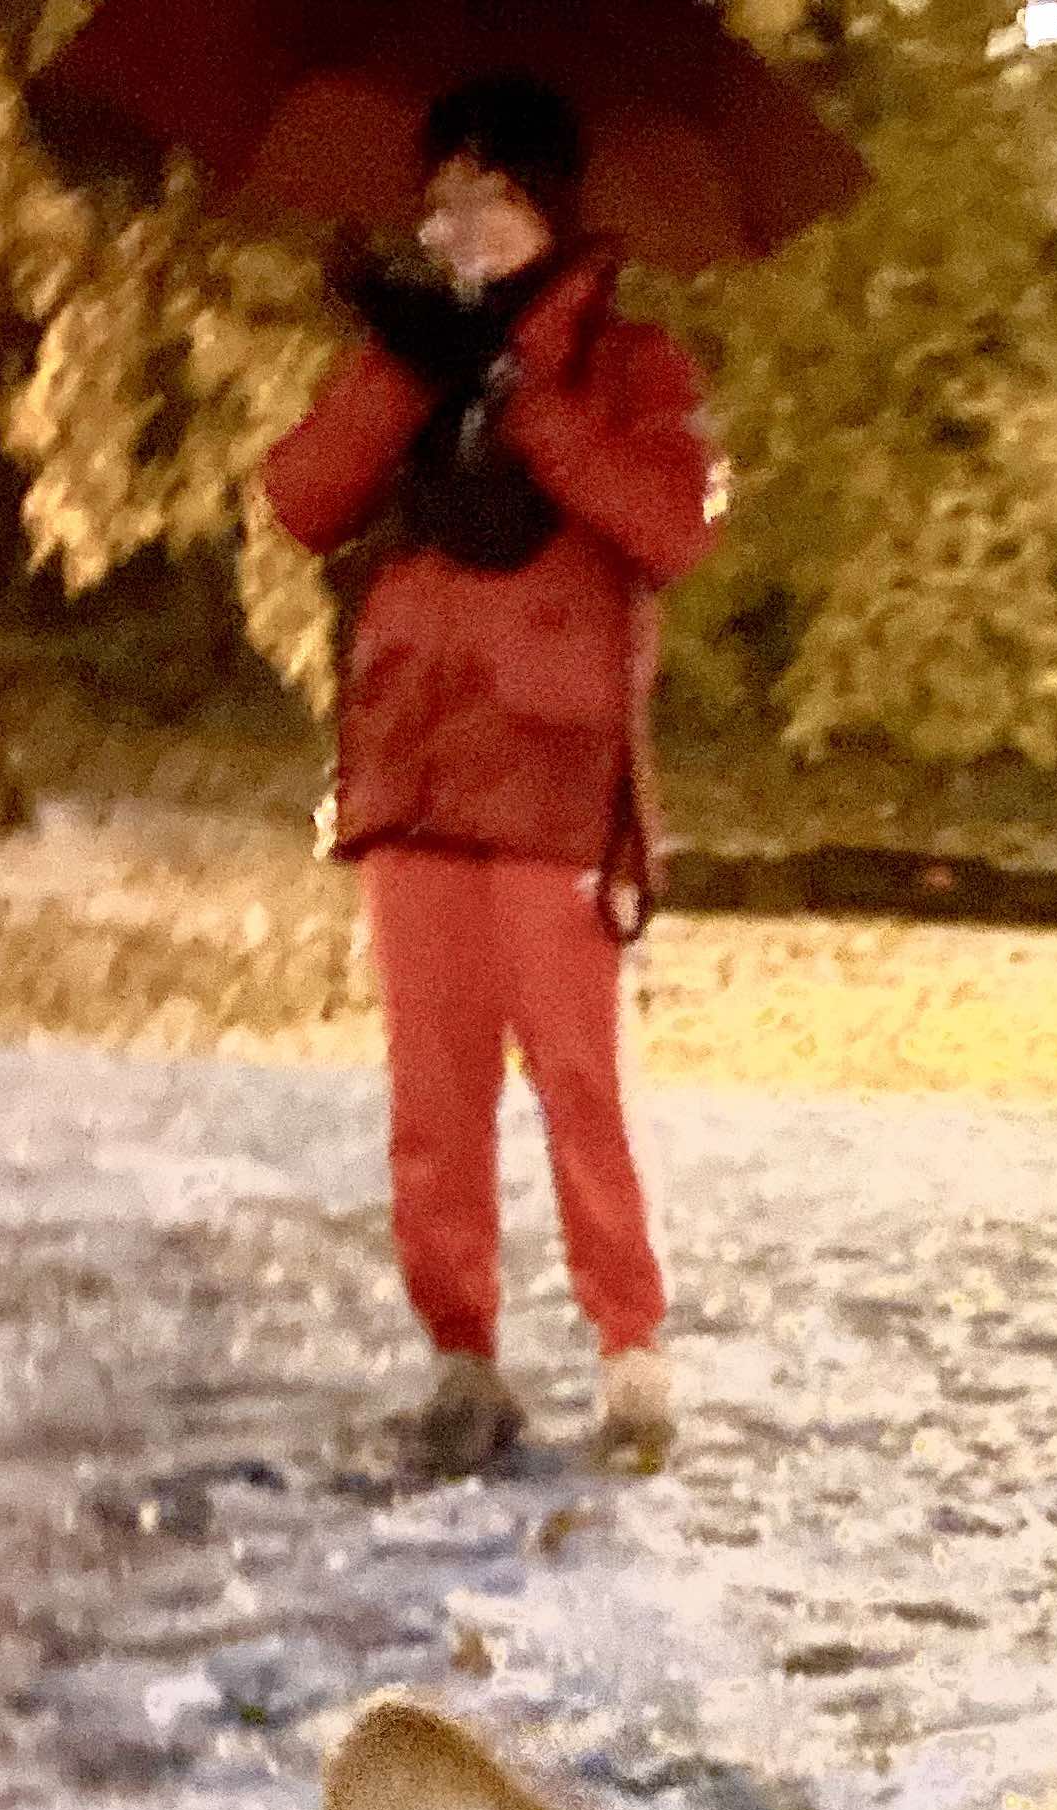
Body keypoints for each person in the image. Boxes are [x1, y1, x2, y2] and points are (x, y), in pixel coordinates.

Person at [266, 77, 721, 1476]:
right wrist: (408, 367)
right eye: (441, 198)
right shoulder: (408, 360)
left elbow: (665, 526)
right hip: (412, 774)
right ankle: (462, 1361)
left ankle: (629, 1354)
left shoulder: (633, 368)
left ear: (552, 206)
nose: (456, 224)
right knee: (432, 1096)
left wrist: (534, 407)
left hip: (549, 783)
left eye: (490, 194)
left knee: (579, 1079)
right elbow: (296, 500)